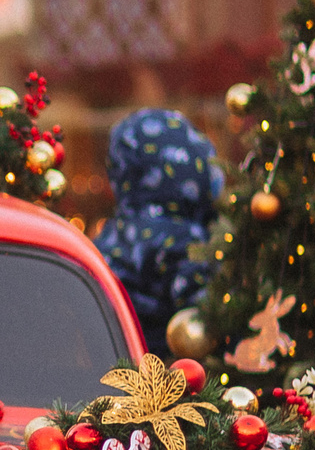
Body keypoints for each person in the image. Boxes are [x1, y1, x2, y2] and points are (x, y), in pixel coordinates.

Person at [90, 106, 223, 355]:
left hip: (117, 364)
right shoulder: (180, 239)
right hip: (171, 373)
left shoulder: (114, 231)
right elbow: (210, 312)